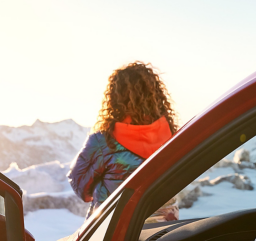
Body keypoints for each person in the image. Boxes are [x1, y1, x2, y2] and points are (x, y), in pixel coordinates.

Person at [68, 61, 179, 221]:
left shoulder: (103, 141)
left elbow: (79, 183)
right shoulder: (173, 136)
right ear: (156, 96)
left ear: (114, 98)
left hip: (116, 233)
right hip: (163, 231)